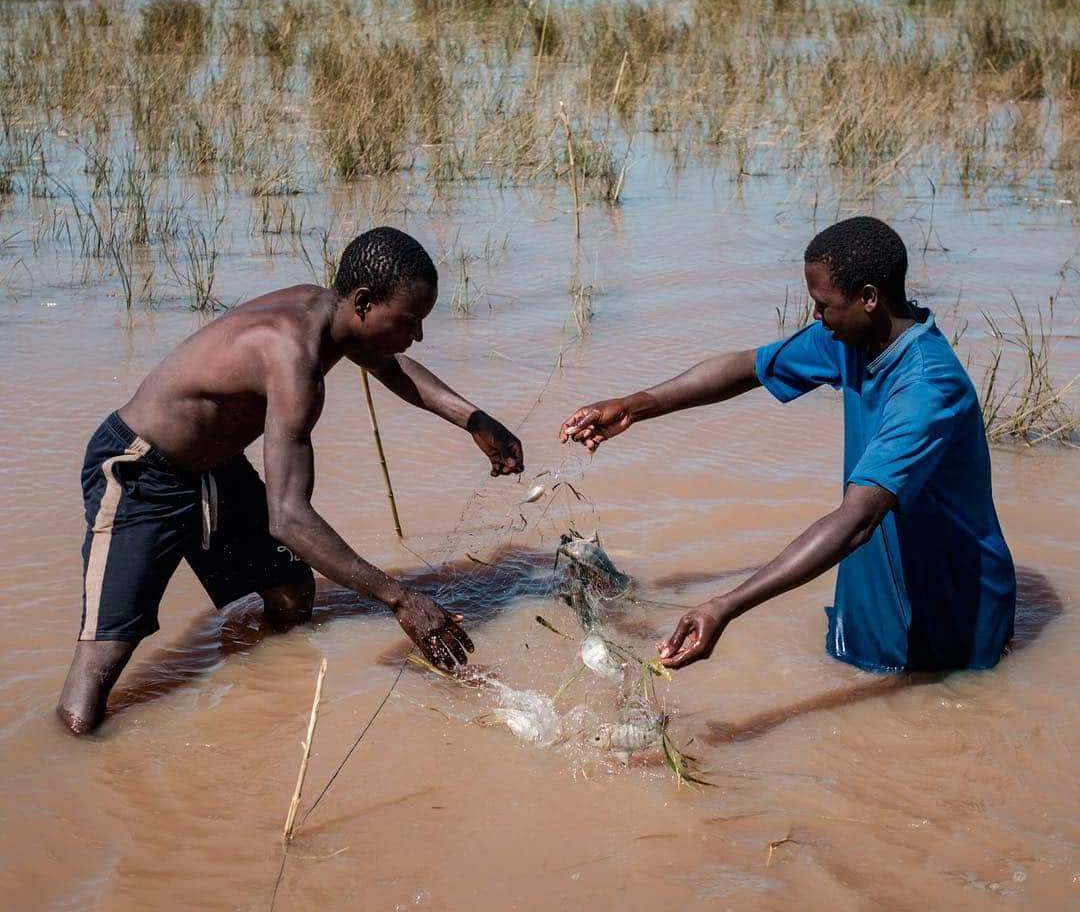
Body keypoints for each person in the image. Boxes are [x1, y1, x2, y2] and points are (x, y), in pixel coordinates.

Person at [58, 227, 523, 735]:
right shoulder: (292, 357)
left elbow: (392, 366)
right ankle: (75, 760)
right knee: (105, 656)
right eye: (410, 322)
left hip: (214, 466)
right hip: (140, 470)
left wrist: (475, 419)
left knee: (292, 594)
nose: (417, 336)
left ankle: (263, 701)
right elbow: (289, 517)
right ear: (365, 303)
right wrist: (402, 599)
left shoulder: (332, 315)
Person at [560, 216, 1016, 675]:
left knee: (945, 717)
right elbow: (747, 369)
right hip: (877, 582)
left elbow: (857, 520)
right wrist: (633, 407)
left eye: (824, 305)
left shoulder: (927, 387)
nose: (817, 318)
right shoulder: (854, 339)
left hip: (951, 608)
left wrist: (727, 606)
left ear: (869, 298)